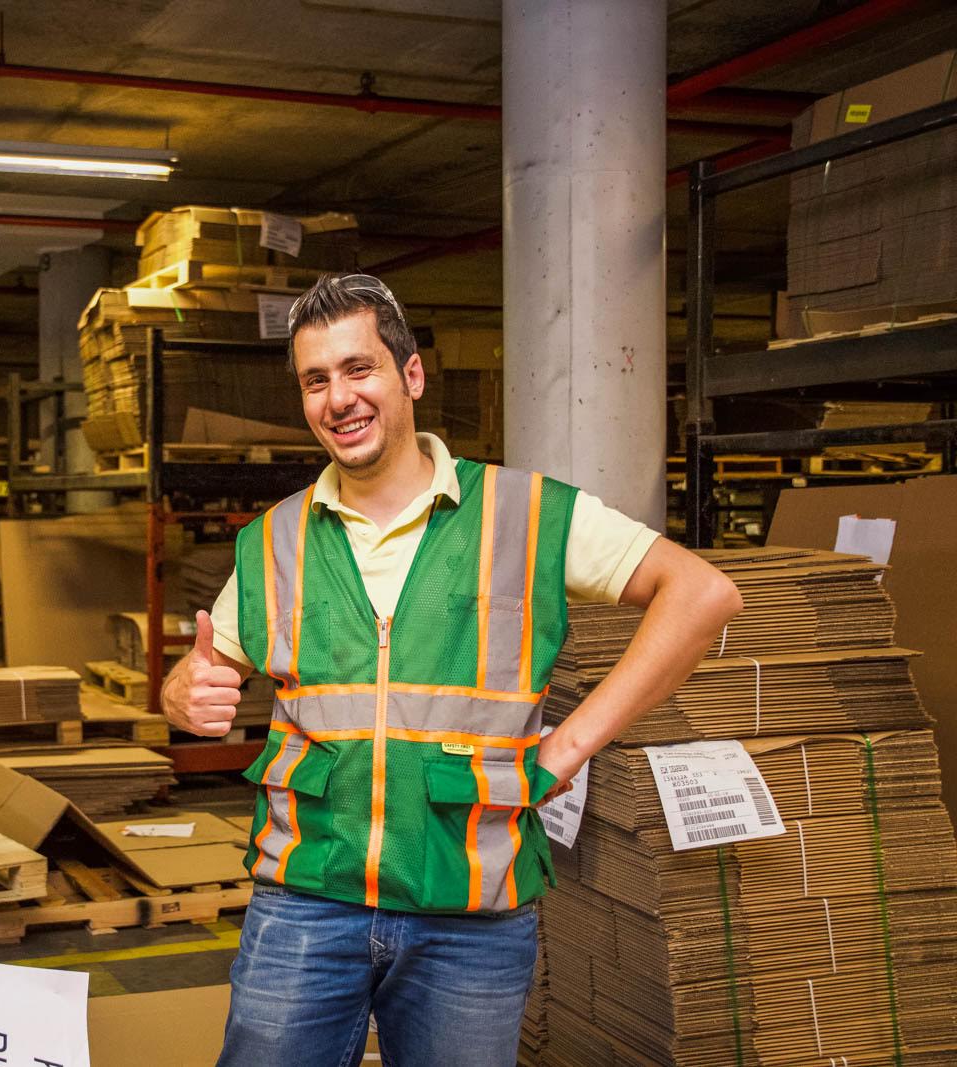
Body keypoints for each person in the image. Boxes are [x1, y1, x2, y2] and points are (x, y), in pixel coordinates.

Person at [160, 274, 742, 1067]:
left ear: (411, 376)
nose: (339, 398)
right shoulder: (274, 539)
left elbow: (702, 594)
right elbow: (197, 673)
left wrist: (569, 748)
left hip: (470, 915)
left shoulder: (525, 512)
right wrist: (181, 692)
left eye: (359, 368)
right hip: (304, 903)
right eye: (316, 380)